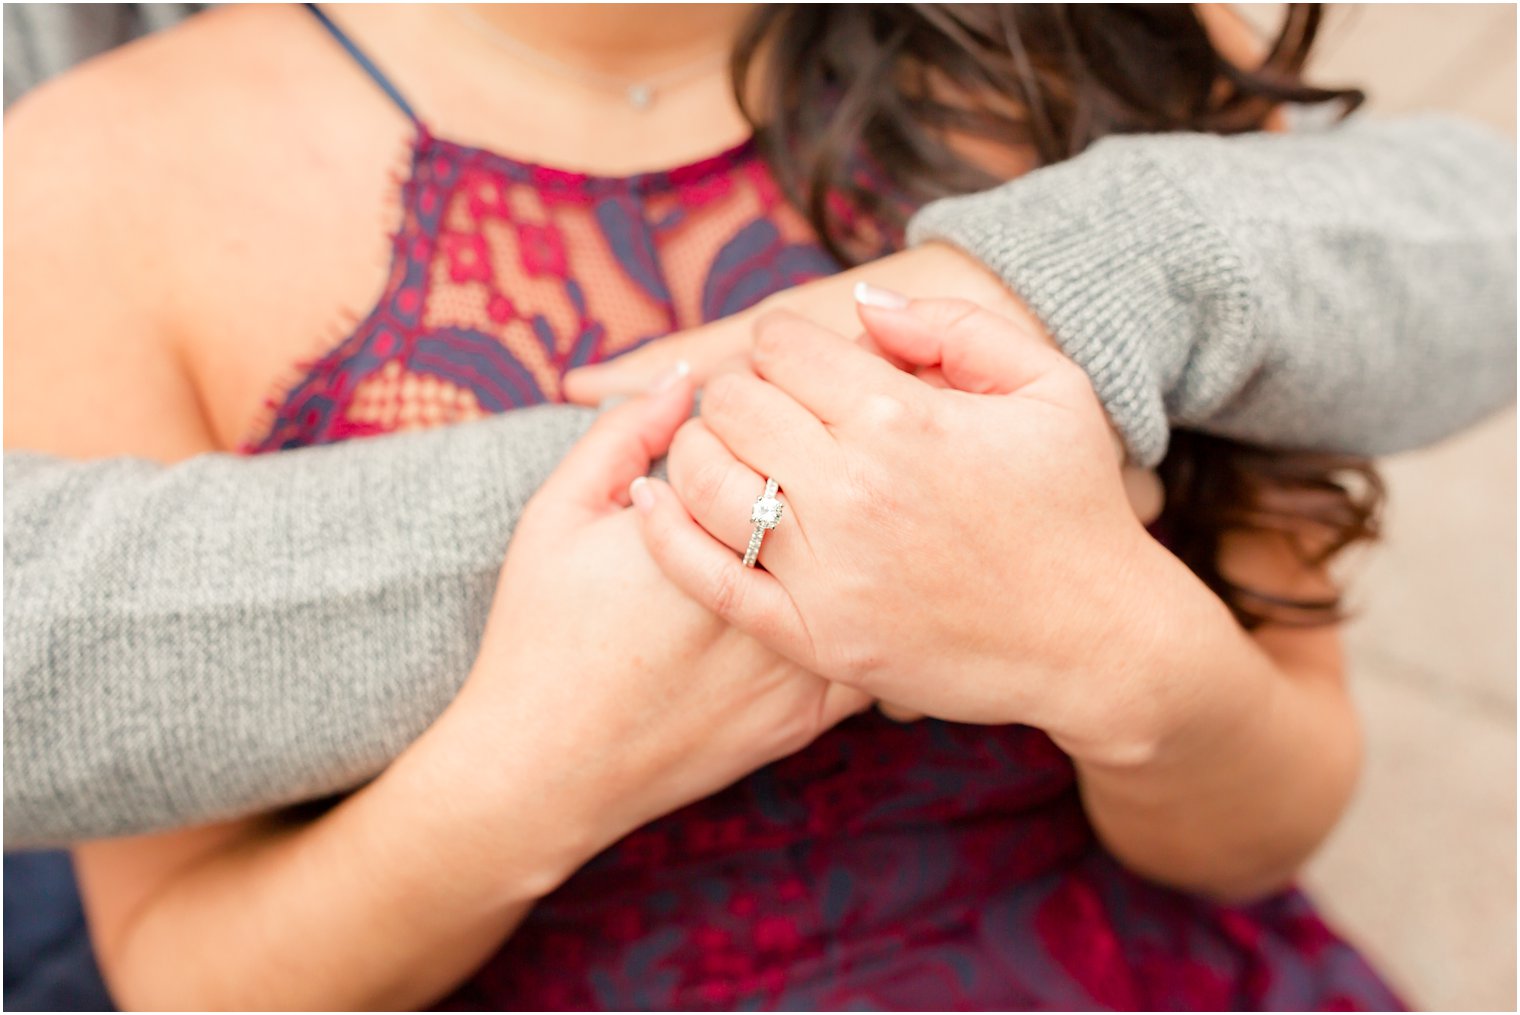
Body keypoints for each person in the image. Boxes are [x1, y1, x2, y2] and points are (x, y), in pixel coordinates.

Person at [2, 3, 1512, 1009]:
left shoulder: (1102, 45)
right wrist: (538, 781)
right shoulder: (90, 191)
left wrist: (1118, 660)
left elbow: (1273, 806)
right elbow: (192, 975)